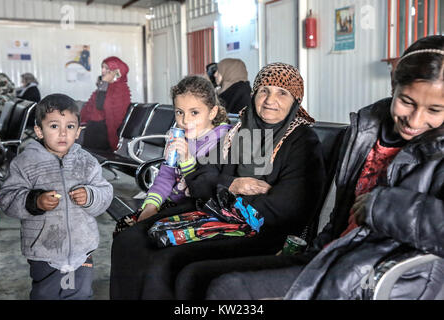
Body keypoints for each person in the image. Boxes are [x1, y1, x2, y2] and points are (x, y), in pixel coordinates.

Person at [201, 35, 444, 300]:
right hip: (334, 254)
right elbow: (342, 213)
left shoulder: (300, 139)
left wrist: (383, 206)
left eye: (435, 109)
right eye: (407, 102)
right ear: (393, 84)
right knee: (204, 277)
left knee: (226, 288)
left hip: (381, 278)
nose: (415, 119)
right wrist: (317, 248)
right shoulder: (366, 129)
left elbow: (286, 206)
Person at [109, 62, 326, 299]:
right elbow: (199, 179)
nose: (269, 100)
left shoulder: (303, 141)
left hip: (259, 229)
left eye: (281, 93)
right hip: (212, 210)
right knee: (130, 239)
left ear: (295, 100)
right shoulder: (242, 131)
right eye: (264, 90)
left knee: (165, 261)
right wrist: (232, 184)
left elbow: (290, 207)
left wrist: (226, 197)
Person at [0, 93, 114, 300]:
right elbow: (7, 198)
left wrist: (90, 196)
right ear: (38, 131)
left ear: (78, 131)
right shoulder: (25, 162)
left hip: (82, 248)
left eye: (69, 127)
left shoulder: (86, 162)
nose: (63, 133)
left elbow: (105, 192)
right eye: (54, 126)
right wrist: (35, 201)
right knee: (47, 294)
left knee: (80, 294)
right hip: (44, 250)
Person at [112, 75, 232, 236]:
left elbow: (207, 188)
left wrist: (187, 161)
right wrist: (151, 206)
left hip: (199, 208)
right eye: (179, 112)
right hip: (173, 203)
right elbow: (165, 177)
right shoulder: (180, 138)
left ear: (212, 112)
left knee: (144, 235)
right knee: (125, 227)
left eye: (194, 112)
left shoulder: (223, 141)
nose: (185, 120)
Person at [80, 56, 131, 151]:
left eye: (107, 68)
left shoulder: (120, 89)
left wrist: (103, 84)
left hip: (106, 132)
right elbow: (90, 108)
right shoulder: (103, 87)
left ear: (116, 72)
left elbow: (100, 105)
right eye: (102, 67)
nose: (103, 70)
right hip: (95, 128)